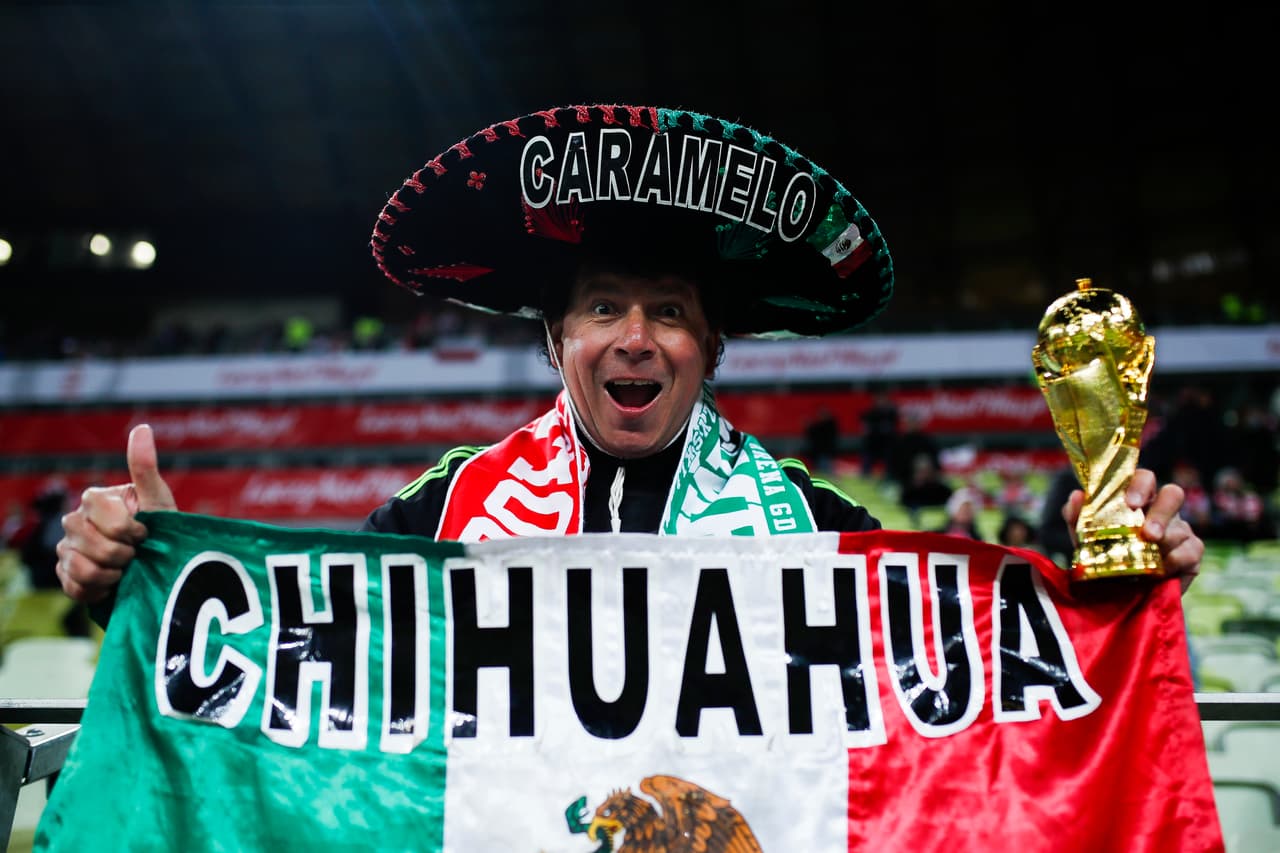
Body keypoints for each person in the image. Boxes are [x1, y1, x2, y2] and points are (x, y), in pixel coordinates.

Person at [54, 103, 1206, 604]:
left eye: (668, 309)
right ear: (556, 340)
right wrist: (142, 582)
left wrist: (1110, 582)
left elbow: (960, 693)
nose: (635, 337)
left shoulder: (818, 527)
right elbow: (294, 656)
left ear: (710, 346)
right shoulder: (442, 510)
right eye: (603, 305)